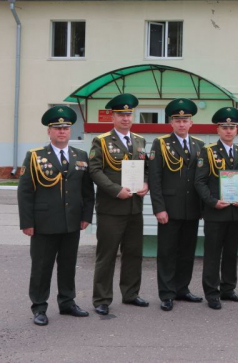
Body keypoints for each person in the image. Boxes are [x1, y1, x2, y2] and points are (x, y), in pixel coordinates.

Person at [17, 105, 94, 326]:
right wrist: (27, 222)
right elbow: (25, 192)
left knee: (68, 265)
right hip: (43, 223)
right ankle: (39, 307)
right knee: (41, 267)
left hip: (72, 222)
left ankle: (67, 302)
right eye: (57, 128)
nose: (62, 132)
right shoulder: (35, 156)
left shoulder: (80, 156)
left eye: (66, 128)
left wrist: (86, 216)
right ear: (49, 131)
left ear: (70, 131)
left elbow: (87, 191)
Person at [89, 93, 150, 316]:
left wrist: (146, 183)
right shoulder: (101, 141)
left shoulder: (140, 141)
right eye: (121, 114)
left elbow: (146, 169)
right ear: (112, 117)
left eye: (128, 114)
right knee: (107, 254)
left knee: (134, 253)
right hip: (111, 209)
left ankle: (131, 293)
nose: (125, 118)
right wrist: (116, 191)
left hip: (135, 207)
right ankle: (102, 298)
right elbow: (94, 170)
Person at [148, 98, 205, 311]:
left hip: (192, 208)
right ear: (171, 123)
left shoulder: (199, 145)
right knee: (167, 252)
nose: (182, 124)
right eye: (177, 120)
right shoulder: (160, 143)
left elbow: (202, 178)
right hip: (169, 209)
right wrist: (159, 208)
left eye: (185, 120)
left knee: (187, 251)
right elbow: (155, 179)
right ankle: (166, 293)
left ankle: (182, 288)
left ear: (191, 123)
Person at [193, 106, 238, 310]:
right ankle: (212, 293)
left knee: (231, 253)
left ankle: (228, 289)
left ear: (236, 130)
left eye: (232, 127)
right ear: (217, 130)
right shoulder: (207, 152)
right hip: (215, 211)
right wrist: (212, 202)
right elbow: (199, 181)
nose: (228, 130)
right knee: (213, 253)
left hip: (235, 211)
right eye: (224, 127)